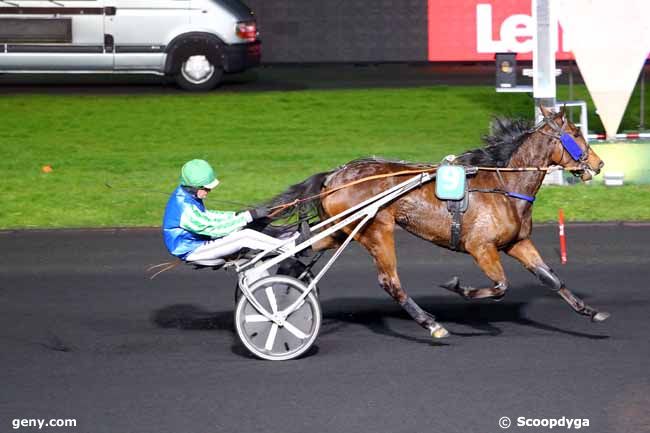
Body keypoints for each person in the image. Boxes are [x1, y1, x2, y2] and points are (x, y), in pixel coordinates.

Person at [162, 159, 295, 264]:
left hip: (197, 241)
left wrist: (238, 215)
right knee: (245, 236)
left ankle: (285, 242)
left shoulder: (187, 195)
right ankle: (290, 248)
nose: (209, 191)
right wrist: (248, 216)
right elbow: (215, 229)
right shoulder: (185, 209)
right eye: (206, 189)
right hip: (193, 250)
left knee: (245, 231)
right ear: (193, 187)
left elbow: (209, 216)